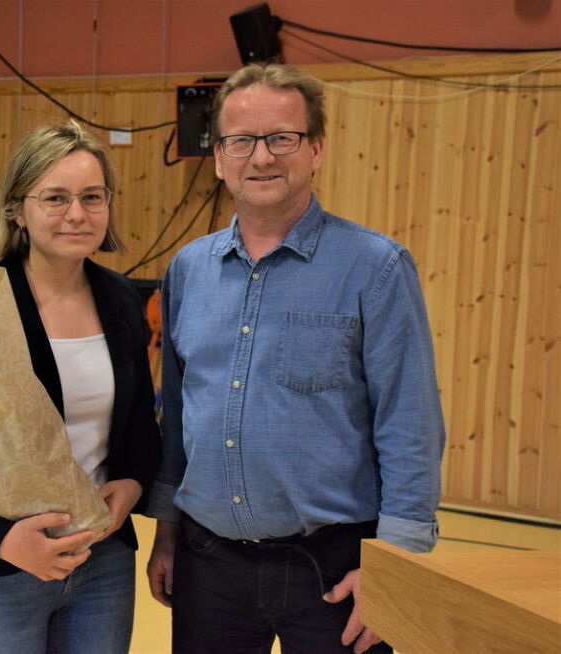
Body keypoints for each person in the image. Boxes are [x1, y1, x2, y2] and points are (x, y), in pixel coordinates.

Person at [145, 63, 445, 654]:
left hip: (335, 571)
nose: (261, 158)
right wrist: (168, 534)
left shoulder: (375, 268)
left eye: (281, 138)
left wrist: (397, 569)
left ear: (316, 150)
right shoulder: (187, 270)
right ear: (220, 156)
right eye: (241, 141)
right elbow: (178, 419)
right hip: (209, 567)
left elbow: (409, 424)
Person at [0, 119, 162, 654]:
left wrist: (135, 483)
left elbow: (138, 425)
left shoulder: (119, 299)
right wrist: (4, 541)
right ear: (16, 210)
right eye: (55, 198)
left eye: (92, 197)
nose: (77, 214)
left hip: (102, 561)